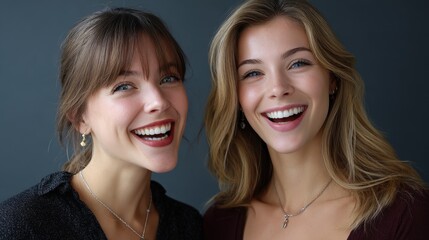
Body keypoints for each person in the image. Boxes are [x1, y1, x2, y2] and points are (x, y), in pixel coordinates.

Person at [203, 0, 429, 239]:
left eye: (298, 63)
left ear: (332, 78)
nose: (278, 88)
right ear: (236, 99)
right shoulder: (218, 223)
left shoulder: (405, 214)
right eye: (253, 73)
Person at [0, 8, 202, 240]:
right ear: (79, 118)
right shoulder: (21, 227)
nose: (158, 102)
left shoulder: (189, 225)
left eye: (168, 78)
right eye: (124, 86)